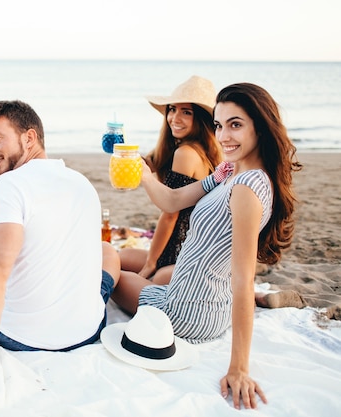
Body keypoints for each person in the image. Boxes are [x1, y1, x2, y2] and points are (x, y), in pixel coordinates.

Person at [111, 83, 302, 410]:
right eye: (219, 125)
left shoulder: (246, 187)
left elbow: (244, 279)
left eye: (236, 124)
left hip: (186, 312)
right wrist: (143, 174)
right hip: (209, 304)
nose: (224, 135)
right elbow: (172, 199)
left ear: (261, 125)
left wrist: (239, 368)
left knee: (114, 276)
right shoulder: (233, 172)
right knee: (143, 272)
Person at [0, 100, 121, 390]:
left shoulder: (10, 185)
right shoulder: (81, 182)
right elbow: (40, 241)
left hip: (25, 339)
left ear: (29, 138)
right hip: (88, 331)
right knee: (107, 252)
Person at [120, 76, 222, 284]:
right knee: (119, 257)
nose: (175, 117)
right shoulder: (195, 149)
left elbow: (170, 215)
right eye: (173, 109)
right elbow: (151, 163)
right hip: (175, 246)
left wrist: (151, 262)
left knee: (121, 280)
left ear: (201, 119)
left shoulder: (186, 153)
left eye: (186, 112)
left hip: (181, 251)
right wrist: (121, 149)